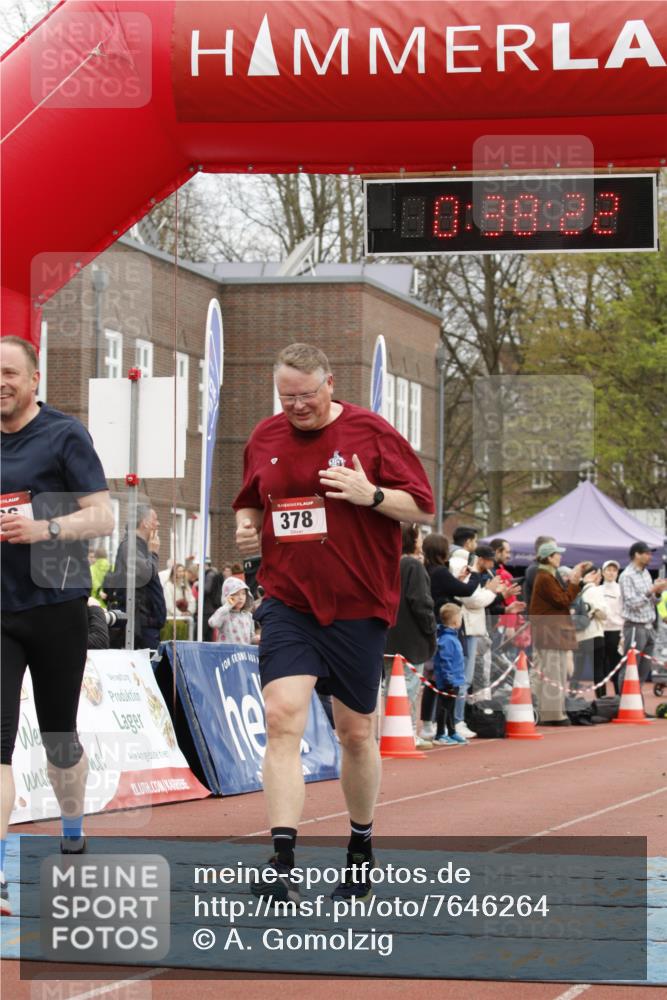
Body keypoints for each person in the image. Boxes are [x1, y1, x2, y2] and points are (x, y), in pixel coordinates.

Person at [233, 342, 434, 904]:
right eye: (286, 397)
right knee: (282, 718)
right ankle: (282, 861)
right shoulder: (265, 437)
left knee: (355, 733)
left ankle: (360, 846)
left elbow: (422, 506)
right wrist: (247, 528)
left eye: (306, 395)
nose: (297, 406)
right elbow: (249, 501)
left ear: (329, 384)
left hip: (357, 605)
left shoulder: (372, 432)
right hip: (289, 601)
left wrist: (371, 495)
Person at [0, 336, 113, 916]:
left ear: (34, 379)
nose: (1, 383)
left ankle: (72, 831)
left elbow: (103, 514)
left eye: (10, 373)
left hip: (56, 603)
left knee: (59, 741)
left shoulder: (64, 434)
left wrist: (45, 529)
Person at [385, 523, 436, 749]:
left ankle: (394, 729)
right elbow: (421, 601)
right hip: (411, 638)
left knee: (392, 685)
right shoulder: (412, 566)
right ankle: (405, 731)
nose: (421, 541)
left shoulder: (387, 563)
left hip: (388, 635)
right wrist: (430, 628)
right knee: (408, 685)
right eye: (419, 537)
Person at [529, 542, 589, 725]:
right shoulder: (545, 577)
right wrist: (574, 583)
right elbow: (563, 600)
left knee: (553, 673)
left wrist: (576, 582)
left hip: (551, 631)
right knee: (553, 673)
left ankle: (550, 712)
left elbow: (561, 600)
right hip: (550, 632)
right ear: (549, 557)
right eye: (557, 554)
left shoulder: (547, 576)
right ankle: (552, 715)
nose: (560, 557)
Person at [105, 505, 167, 649]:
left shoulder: (142, 547)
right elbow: (145, 574)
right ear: (145, 523)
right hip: (140, 625)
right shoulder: (130, 546)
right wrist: (154, 554)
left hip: (147, 623)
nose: (158, 524)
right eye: (155, 519)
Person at [618, 541, 667, 705]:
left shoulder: (645, 573)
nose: (649, 556)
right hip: (635, 626)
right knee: (630, 667)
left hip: (649, 626)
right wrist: (651, 590)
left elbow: (653, 601)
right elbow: (632, 603)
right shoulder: (627, 576)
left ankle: (636, 706)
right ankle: (624, 704)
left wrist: (658, 592)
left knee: (644, 669)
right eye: (646, 553)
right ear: (636, 555)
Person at [433, 604, 468, 746]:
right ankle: (440, 733)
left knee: (451, 707)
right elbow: (445, 660)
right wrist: (448, 679)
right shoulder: (447, 639)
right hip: (448, 681)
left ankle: (452, 731)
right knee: (444, 707)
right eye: (460, 617)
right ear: (455, 620)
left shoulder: (453, 637)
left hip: (455, 679)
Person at [571, 565, 607, 694]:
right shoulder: (596, 590)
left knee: (577, 671)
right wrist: (594, 610)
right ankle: (602, 699)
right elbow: (604, 614)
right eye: (598, 575)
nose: (600, 578)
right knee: (598, 670)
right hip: (594, 635)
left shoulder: (577, 592)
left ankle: (571, 696)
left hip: (579, 636)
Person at [596, 560, 624, 695]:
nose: (611, 573)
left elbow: (625, 613)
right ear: (603, 572)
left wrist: (623, 635)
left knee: (616, 666)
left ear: (617, 573)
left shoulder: (621, 590)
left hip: (616, 632)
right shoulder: (597, 590)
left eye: (614, 570)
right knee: (599, 666)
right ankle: (601, 698)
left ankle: (619, 696)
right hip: (599, 632)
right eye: (608, 570)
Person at [208, 576, 258, 645]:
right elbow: (213, 623)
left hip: (243, 651)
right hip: (226, 651)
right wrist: (227, 606)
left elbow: (251, 637)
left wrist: (257, 639)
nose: (241, 597)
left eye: (243, 593)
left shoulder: (249, 616)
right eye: (236, 594)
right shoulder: (224, 613)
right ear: (228, 596)